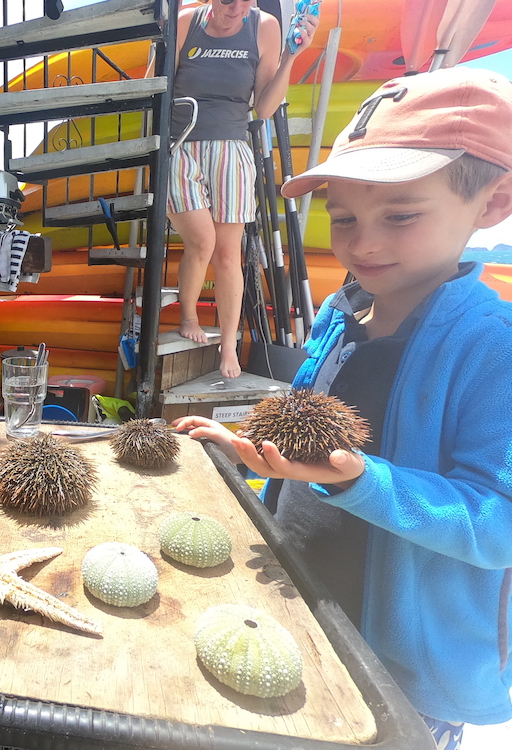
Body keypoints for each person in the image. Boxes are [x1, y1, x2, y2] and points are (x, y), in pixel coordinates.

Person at [173, 67, 512, 745]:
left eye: (401, 215)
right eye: (345, 218)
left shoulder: (491, 350)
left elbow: (497, 524)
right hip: (296, 608)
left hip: (404, 680)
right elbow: (307, 434)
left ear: (493, 202)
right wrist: (252, 454)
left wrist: (364, 481)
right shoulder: (339, 311)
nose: (363, 244)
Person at [166, 0, 317, 378]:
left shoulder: (264, 26)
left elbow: (264, 109)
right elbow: (157, 85)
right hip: (180, 144)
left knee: (228, 254)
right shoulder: (186, 20)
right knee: (201, 240)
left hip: (232, 148)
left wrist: (290, 58)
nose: (236, 8)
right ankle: (189, 316)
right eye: (227, 1)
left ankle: (230, 344)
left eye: (245, 0)